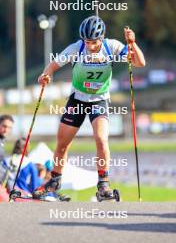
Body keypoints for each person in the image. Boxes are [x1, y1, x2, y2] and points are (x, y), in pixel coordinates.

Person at [33, 16, 145, 200]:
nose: (90, 46)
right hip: (77, 100)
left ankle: (103, 183)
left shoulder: (112, 47)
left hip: (99, 100)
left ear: (102, 38)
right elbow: (52, 66)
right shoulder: (76, 48)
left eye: (94, 42)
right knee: (62, 144)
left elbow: (140, 63)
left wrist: (132, 43)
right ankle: (54, 180)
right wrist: (45, 76)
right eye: (87, 42)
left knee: (101, 139)